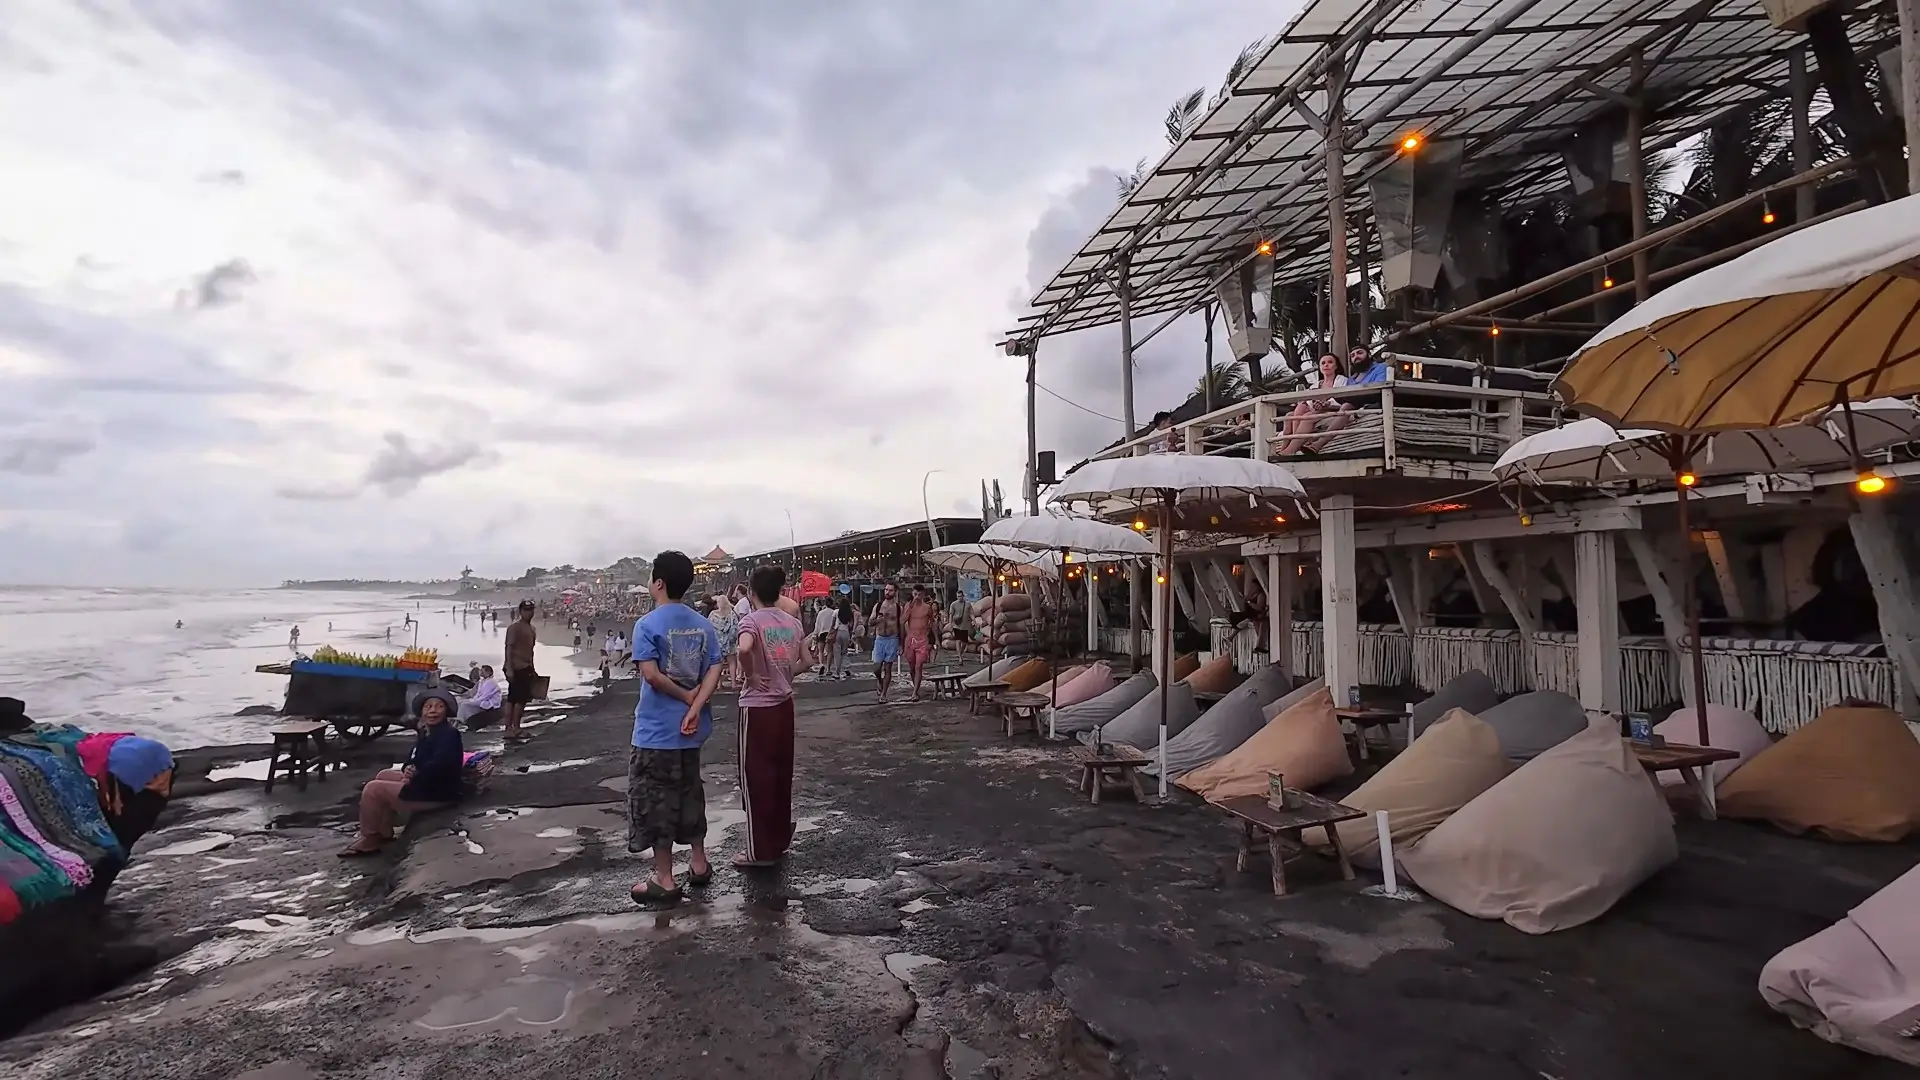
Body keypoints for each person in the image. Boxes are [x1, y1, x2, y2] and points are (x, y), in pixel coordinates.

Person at [627, 551, 723, 906]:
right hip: (691, 730)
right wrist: (695, 707)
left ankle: (664, 879)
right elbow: (715, 667)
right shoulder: (703, 623)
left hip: (655, 731)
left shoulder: (647, 625)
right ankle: (698, 863)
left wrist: (683, 698)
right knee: (689, 790)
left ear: (659, 583)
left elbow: (650, 675)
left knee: (655, 799)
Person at [733, 564, 812, 869]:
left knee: (755, 779)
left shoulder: (751, 621)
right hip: (784, 705)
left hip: (757, 708)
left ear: (751, 592)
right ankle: (778, 842)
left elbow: (744, 649)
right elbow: (807, 660)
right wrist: (785, 675)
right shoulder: (792, 623)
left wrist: (752, 675)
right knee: (780, 776)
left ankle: (758, 852)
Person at [340, 689, 463, 857]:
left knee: (373, 789)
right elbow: (414, 757)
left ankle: (369, 838)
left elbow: (441, 765)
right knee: (384, 774)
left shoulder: (449, 734)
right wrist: (408, 768)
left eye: (439, 706)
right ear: (422, 711)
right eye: (428, 706)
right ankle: (384, 831)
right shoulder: (426, 731)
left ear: (446, 711)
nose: (433, 710)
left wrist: (414, 777)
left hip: (438, 792)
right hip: (426, 784)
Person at [1277, 354, 1355, 456]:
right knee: (1289, 416)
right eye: (1323, 363)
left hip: (1334, 410)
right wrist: (1314, 403)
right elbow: (1309, 401)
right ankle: (1285, 448)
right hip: (1317, 410)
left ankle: (1292, 449)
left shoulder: (1341, 380)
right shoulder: (1317, 384)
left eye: (1330, 362)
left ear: (1336, 366)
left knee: (1308, 416)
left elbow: (1342, 399)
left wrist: (1326, 404)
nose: (1326, 365)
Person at [503, 600, 539, 743]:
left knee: (519, 700)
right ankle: (512, 728)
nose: (529, 612)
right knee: (515, 699)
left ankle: (513, 728)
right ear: (520, 611)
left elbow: (530, 651)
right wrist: (509, 667)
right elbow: (508, 648)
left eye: (531, 610)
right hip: (516, 667)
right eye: (526, 610)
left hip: (526, 667)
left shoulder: (531, 629)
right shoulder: (514, 628)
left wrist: (533, 668)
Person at [901, 586, 937, 701]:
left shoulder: (927, 608)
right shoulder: (908, 606)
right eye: (915, 594)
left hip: (922, 640)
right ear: (912, 593)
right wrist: (909, 608)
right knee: (912, 667)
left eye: (919, 594)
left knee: (919, 666)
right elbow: (902, 621)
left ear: (923, 595)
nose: (917, 596)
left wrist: (937, 639)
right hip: (911, 639)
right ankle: (915, 686)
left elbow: (933, 623)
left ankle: (915, 692)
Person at [870, 583, 903, 702]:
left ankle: (883, 694)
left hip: (892, 639)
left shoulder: (898, 608)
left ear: (895, 592)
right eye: (886, 590)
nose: (887, 592)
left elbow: (901, 626)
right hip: (880, 638)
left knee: (888, 668)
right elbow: (870, 622)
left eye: (890, 590)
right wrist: (877, 620)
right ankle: (879, 680)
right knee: (876, 668)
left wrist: (901, 643)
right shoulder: (878, 606)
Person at [707, 592, 741, 688]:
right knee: (732, 663)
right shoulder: (732, 614)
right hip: (729, 643)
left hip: (718, 643)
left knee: (718, 664)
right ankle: (733, 683)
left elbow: (709, 627)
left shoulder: (713, 615)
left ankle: (718, 684)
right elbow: (736, 628)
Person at [832, 595, 855, 680]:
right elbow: (851, 625)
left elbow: (833, 624)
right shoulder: (850, 613)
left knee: (837, 653)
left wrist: (831, 633)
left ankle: (837, 673)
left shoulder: (836, 612)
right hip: (846, 633)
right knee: (844, 652)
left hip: (838, 632)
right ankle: (847, 668)